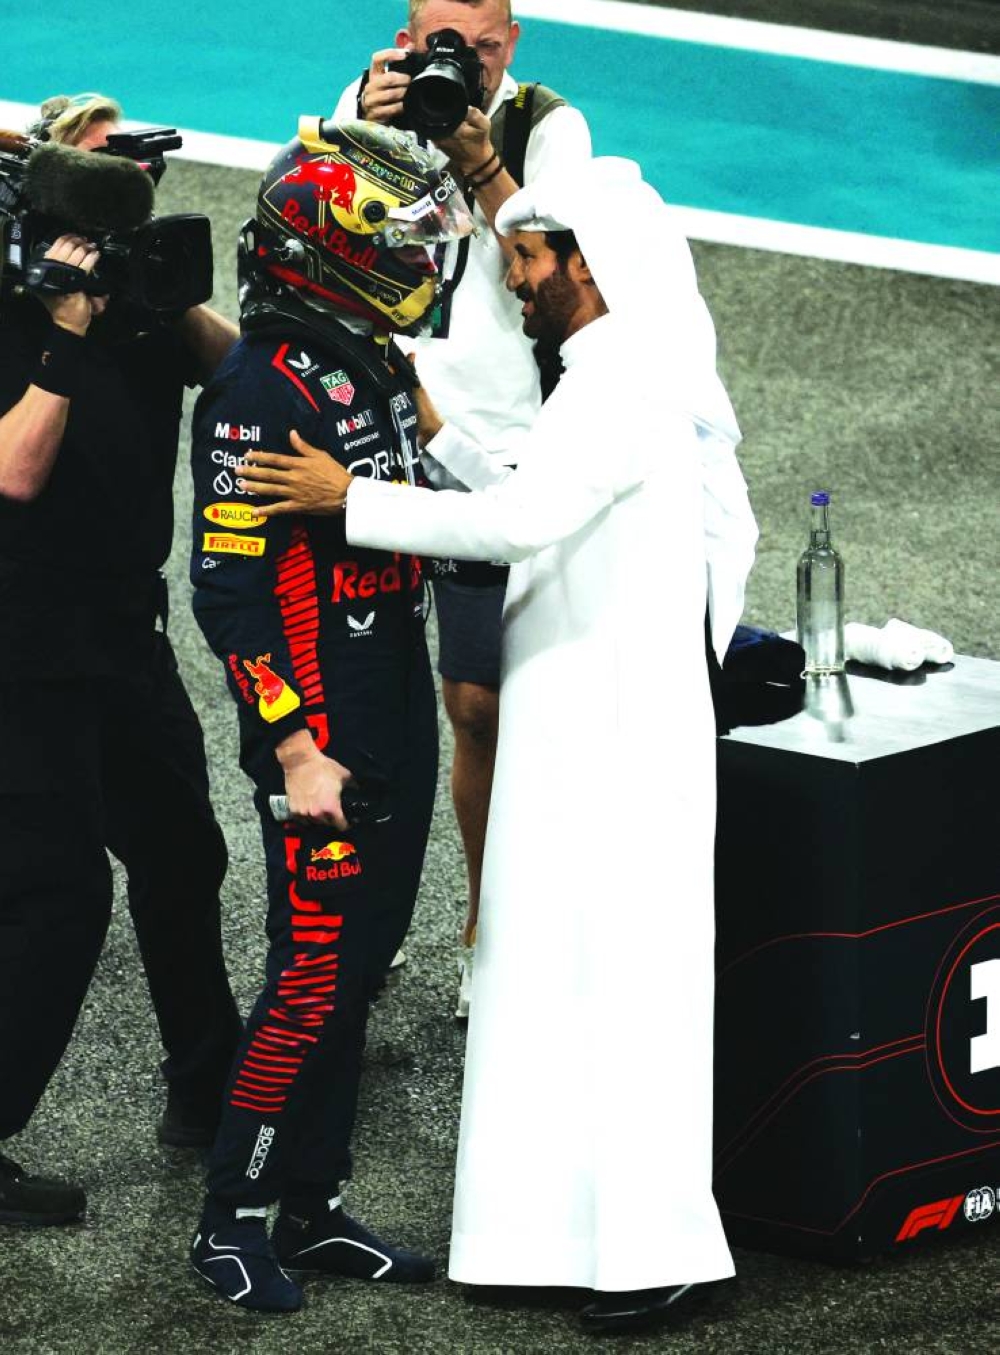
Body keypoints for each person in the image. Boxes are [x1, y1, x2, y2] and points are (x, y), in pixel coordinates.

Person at [238, 155, 758, 1333]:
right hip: (578, 721)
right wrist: (434, 431)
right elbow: (532, 484)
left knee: (624, 985)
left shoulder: (624, 380)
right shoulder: (604, 376)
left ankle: (660, 1251)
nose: (514, 280)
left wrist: (344, 496)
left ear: (590, 264)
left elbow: (525, 520)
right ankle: (550, 1235)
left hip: (616, 733)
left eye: (529, 259)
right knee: (549, 972)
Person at [186, 117, 477, 1313]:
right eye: (398, 241)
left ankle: (312, 1204)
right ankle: (230, 1219)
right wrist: (295, 747)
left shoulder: (363, 358)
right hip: (324, 741)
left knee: (356, 969)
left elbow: (418, 499)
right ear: (326, 247)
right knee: (310, 973)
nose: (418, 262)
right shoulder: (257, 389)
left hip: (394, 704)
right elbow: (226, 589)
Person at [0, 93, 243, 1227]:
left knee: (184, 858)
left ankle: (209, 1084)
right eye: (99, 174)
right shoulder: (16, 308)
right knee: (55, 893)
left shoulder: (141, 298)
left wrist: (161, 286)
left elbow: (230, 369)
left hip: (123, 639)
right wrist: (62, 322)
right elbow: (15, 470)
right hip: (21, 653)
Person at [334, 0, 592, 1013]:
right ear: (407, 35)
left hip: (499, 453)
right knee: (364, 697)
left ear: (510, 44)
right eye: (441, 45)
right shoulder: (371, 99)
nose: (461, 65)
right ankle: (367, 922)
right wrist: (363, 114)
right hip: (383, 438)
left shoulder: (547, 127)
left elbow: (562, 257)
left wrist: (483, 161)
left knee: (481, 707)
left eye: (480, 48)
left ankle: (485, 922)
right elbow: (303, 219)